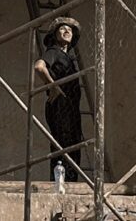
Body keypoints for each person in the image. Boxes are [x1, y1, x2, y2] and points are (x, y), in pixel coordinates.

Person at [34, 15, 84, 180]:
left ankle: (69, 183)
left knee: (73, 145)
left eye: (69, 30)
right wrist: (53, 86)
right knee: (63, 144)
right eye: (62, 28)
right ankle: (60, 184)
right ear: (55, 35)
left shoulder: (67, 57)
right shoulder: (54, 52)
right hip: (61, 106)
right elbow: (39, 67)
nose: (67, 31)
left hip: (71, 108)